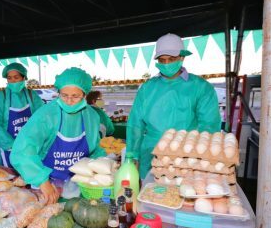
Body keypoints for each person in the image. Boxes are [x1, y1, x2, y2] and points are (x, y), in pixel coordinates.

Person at [126, 33, 221, 179]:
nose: (166, 64)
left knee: (183, 195)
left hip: (185, 156)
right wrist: (132, 156)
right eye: (162, 60)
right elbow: (135, 125)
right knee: (150, 195)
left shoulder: (201, 87)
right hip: (151, 154)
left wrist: (203, 159)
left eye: (171, 59)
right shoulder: (147, 88)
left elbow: (209, 126)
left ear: (182, 57)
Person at [11, 67, 106, 204]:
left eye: (75, 96)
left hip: (77, 182)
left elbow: (94, 149)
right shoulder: (47, 114)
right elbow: (23, 150)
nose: (69, 101)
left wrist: (102, 165)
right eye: (64, 95)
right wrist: (42, 181)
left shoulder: (91, 116)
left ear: (85, 95)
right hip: (46, 182)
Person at [0, 63, 44, 167]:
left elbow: (42, 120)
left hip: (29, 147)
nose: (13, 81)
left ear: (24, 78)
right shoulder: (1, 97)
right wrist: (11, 145)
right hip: (8, 148)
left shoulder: (32, 96)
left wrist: (32, 142)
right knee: (9, 177)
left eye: (16, 77)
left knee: (29, 176)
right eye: (9, 78)